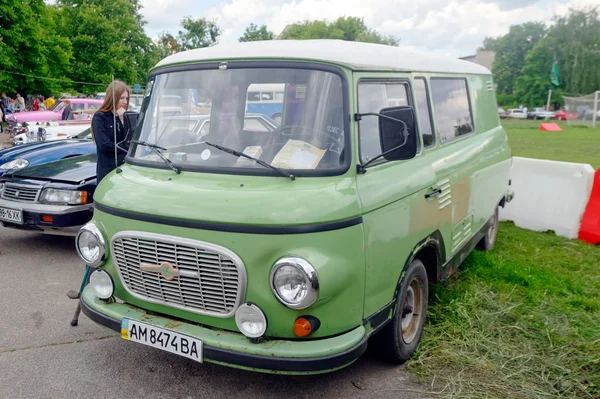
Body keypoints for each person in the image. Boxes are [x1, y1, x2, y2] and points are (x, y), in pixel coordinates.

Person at [92, 80, 131, 183]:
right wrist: (125, 148)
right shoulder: (100, 117)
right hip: (107, 170)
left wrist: (124, 121)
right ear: (113, 97)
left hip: (125, 169)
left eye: (126, 98)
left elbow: (131, 141)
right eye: (121, 98)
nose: (125, 102)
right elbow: (104, 145)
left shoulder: (127, 117)